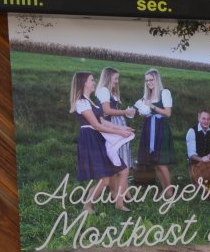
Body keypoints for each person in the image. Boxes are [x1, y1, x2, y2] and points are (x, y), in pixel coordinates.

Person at [71, 71, 131, 211]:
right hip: (91, 140)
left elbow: (102, 121)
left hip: (99, 138)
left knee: (124, 170)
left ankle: (119, 203)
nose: (95, 83)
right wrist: (119, 132)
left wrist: (122, 128)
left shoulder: (90, 100)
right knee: (105, 180)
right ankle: (87, 206)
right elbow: (97, 125)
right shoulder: (82, 102)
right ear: (84, 83)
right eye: (92, 80)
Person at [134, 68, 174, 190]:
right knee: (155, 163)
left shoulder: (164, 93)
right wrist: (141, 112)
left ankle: (170, 192)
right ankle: (165, 189)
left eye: (151, 80)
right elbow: (145, 112)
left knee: (161, 163)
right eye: (146, 80)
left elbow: (168, 113)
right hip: (148, 128)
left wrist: (152, 106)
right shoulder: (147, 95)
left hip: (160, 129)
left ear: (157, 80)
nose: (149, 83)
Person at [93, 66, 136, 169]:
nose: (117, 81)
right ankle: (120, 169)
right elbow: (107, 111)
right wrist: (125, 112)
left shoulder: (109, 91)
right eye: (115, 78)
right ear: (108, 78)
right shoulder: (104, 90)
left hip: (115, 122)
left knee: (119, 148)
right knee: (116, 149)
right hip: (110, 123)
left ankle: (121, 170)